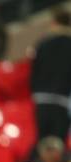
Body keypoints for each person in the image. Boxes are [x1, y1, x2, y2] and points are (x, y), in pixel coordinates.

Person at [30, 8, 71, 144]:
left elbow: (33, 72)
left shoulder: (42, 44)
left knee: (42, 145)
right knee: (58, 146)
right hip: (62, 101)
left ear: (54, 22)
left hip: (41, 100)